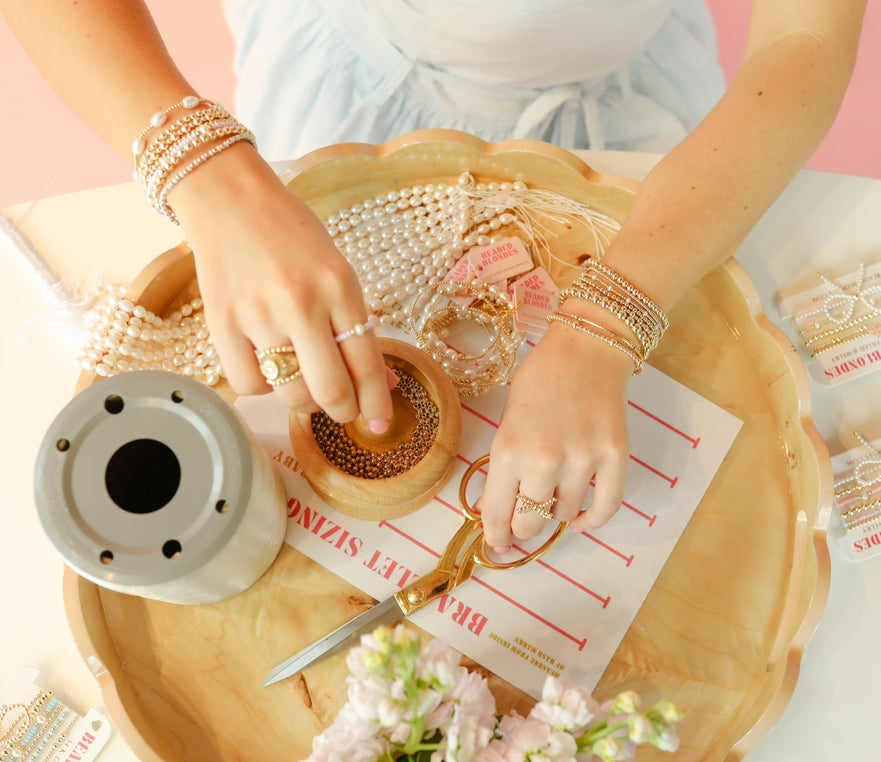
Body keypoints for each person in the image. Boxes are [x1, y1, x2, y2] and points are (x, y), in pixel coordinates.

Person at [0, 0, 867, 551]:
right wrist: (205, 173)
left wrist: (608, 319)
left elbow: (805, 38)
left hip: (647, 117)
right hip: (345, 85)